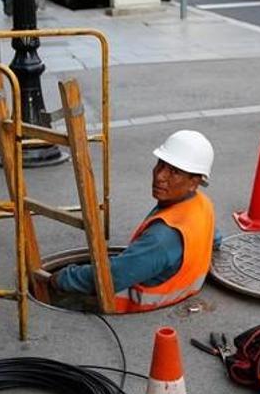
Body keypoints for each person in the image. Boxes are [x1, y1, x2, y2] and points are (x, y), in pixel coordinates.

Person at [50, 130, 221, 313]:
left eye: (174, 172)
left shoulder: (162, 238)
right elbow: (215, 238)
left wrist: (62, 278)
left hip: (138, 312)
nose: (160, 176)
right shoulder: (202, 205)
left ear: (194, 182)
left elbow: (111, 277)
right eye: (160, 164)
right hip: (181, 294)